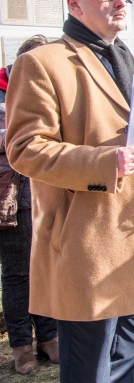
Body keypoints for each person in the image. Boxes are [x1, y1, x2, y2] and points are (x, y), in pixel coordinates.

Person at [5, 0, 134, 382]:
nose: (121, 2)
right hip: (93, 241)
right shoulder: (43, 63)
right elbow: (24, 148)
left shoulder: (128, 57)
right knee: (90, 365)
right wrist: (102, 162)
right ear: (74, 3)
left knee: (129, 352)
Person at [0, 34, 58, 375]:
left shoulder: (46, 90)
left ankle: (49, 339)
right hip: (13, 195)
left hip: (45, 190)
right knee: (19, 273)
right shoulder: (4, 89)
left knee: (46, 267)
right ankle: (22, 347)